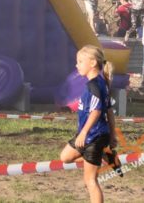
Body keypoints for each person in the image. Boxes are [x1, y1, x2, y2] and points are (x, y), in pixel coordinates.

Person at [58, 45, 117, 203]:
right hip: (90, 135)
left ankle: (98, 155)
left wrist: (84, 133)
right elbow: (109, 112)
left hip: (93, 137)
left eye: (80, 61)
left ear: (92, 63)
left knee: (90, 181)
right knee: (65, 157)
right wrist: (113, 135)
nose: (76, 65)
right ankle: (102, 155)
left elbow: (97, 111)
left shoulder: (95, 85)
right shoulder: (99, 83)